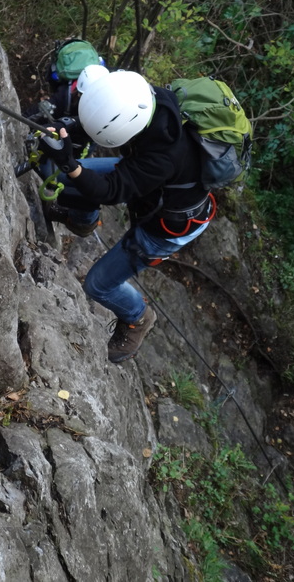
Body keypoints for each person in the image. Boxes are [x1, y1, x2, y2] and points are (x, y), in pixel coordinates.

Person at [38, 69, 215, 364]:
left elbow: (111, 190)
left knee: (98, 285)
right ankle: (83, 221)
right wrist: (66, 128)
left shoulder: (163, 156)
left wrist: (69, 163)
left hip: (166, 229)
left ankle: (138, 318)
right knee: (73, 177)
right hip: (156, 182)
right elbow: (105, 118)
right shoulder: (143, 98)